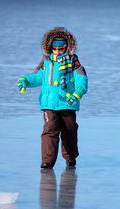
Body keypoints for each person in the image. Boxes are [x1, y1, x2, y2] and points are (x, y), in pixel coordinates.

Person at [17, 27, 88, 169]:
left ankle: (70, 157)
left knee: (69, 129)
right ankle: (47, 161)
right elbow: (37, 78)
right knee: (50, 129)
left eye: (61, 48)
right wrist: (24, 80)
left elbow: (82, 79)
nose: (57, 51)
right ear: (50, 47)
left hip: (68, 102)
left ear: (67, 47)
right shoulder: (46, 61)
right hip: (48, 102)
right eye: (54, 48)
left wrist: (78, 93)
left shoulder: (74, 62)